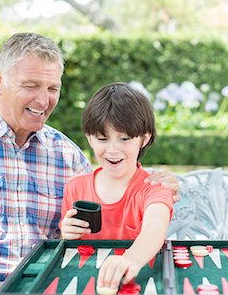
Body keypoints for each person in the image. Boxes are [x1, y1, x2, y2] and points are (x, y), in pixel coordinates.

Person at [0, 33, 179, 295]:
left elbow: (96, 223)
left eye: (52, 89)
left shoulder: (68, 156)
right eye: (31, 85)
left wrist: (157, 182)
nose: (43, 100)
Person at [60, 82, 173, 292]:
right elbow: (67, 251)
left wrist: (131, 259)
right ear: (89, 138)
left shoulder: (155, 187)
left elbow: (155, 226)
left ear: (144, 139)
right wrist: (65, 235)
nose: (113, 150)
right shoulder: (74, 189)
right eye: (102, 139)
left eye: (125, 139)